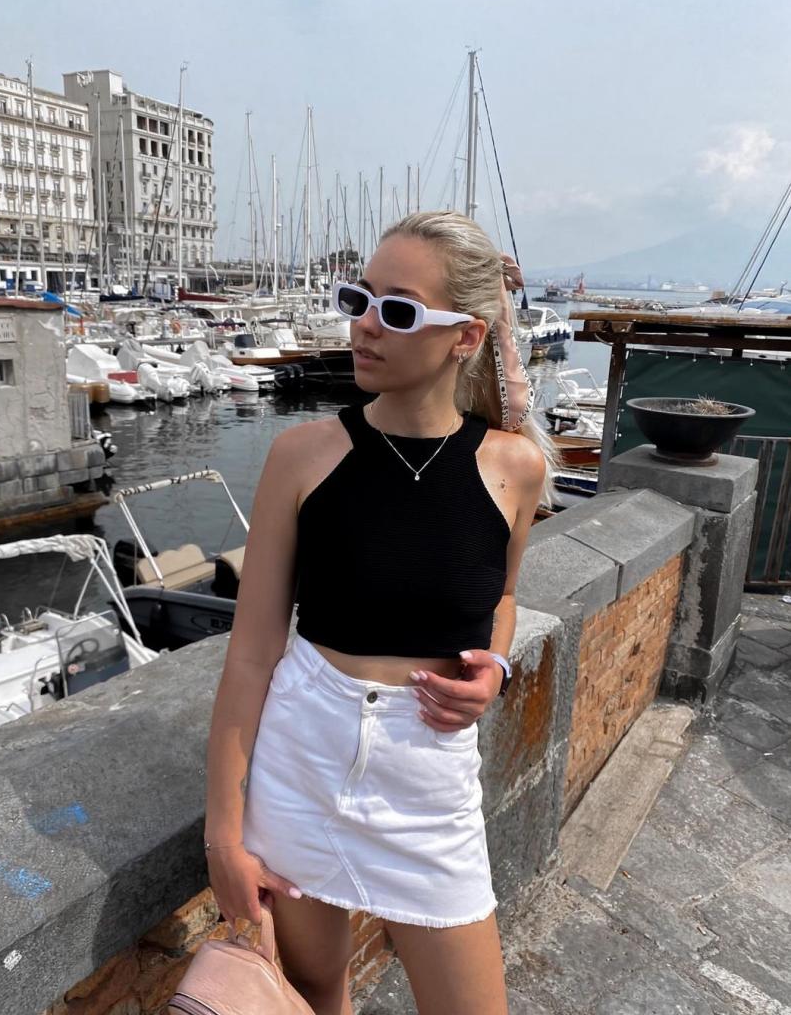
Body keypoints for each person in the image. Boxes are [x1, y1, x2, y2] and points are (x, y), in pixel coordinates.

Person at [204, 210, 556, 1015]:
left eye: (396, 310)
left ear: (465, 337)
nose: (364, 324)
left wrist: (496, 668)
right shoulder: (301, 455)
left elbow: (501, 595)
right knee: (313, 991)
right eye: (357, 298)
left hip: (426, 778)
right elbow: (252, 653)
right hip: (301, 760)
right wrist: (224, 837)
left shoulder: (514, 466)